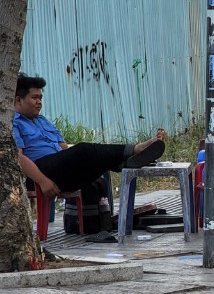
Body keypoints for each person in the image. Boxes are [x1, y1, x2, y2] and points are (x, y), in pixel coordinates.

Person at [14, 74, 166, 223]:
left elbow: (64, 149)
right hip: (37, 172)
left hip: (57, 168)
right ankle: (132, 152)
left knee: (93, 164)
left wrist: (84, 162)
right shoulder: (13, 123)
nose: (39, 102)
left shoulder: (43, 121)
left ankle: (125, 162)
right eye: (34, 98)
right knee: (84, 150)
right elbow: (17, 157)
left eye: (41, 98)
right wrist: (42, 180)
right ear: (18, 100)